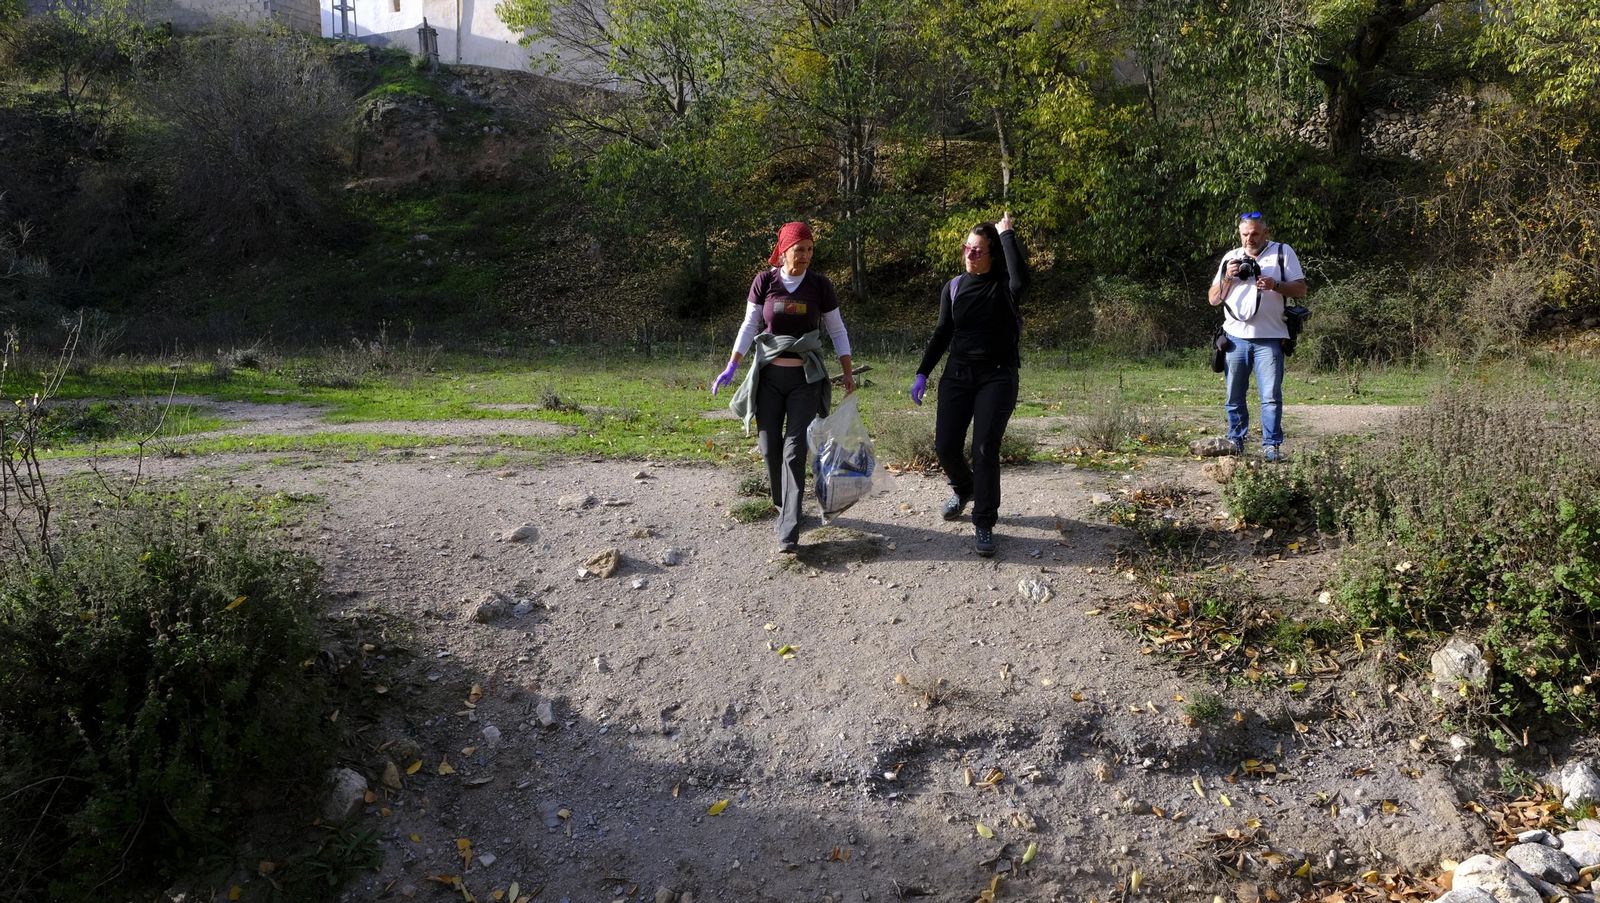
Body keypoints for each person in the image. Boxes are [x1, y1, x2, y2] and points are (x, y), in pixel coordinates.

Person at [713, 221, 855, 553]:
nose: (805, 256)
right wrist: (732, 365)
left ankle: (789, 525)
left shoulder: (820, 286)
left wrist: (847, 372)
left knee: (795, 451)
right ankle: (782, 505)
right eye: (799, 249)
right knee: (769, 449)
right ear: (784, 249)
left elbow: (837, 330)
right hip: (769, 380)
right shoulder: (766, 281)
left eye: (809, 249)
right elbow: (750, 325)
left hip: (805, 381)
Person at [909, 212, 1029, 557]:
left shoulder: (1005, 284)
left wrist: (1007, 235)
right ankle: (964, 487)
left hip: (997, 375)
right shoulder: (954, 287)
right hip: (958, 375)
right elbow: (943, 331)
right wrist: (922, 372)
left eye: (977, 250)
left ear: (992, 254)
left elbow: (1021, 280)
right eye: (966, 248)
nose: (969, 254)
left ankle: (984, 521)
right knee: (945, 446)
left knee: (984, 449)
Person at [1207, 211, 1308, 462]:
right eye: (1244, 234)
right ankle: (1235, 440)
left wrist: (1276, 285)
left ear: (1266, 233)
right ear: (1239, 234)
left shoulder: (1283, 252)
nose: (1249, 239)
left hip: (1271, 338)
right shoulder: (1231, 257)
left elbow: (1301, 289)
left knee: (1271, 397)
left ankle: (1271, 446)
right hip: (1235, 338)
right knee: (1234, 395)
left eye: (1254, 233)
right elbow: (1213, 299)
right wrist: (1228, 277)